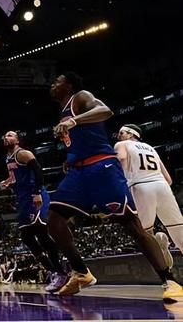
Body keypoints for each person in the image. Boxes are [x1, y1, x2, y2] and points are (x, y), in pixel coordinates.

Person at [47, 72, 183, 299]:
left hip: (102, 166)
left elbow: (105, 110)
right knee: (54, 220)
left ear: (69, 85)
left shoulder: (81, 97)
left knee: (132, 225)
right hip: (79, 171)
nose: (53, 84)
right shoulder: (63, 111)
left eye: (58, 80)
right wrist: (71, 158)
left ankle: (169, 280)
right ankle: (81, 272)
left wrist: (73, 121)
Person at [0, 131, 67, 293]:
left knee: (41, 234)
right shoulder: (8, 158)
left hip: (34, 196)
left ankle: (60, 272)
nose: (6, 137)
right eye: (5, 136)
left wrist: (37, 192)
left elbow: (37, 171)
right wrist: (8, 182)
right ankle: (52, 271)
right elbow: (16, 177)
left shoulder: (23, 153)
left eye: (10, 135)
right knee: (26, 237)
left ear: (17, 140)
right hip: (23, 200)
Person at [114, 123, 183, 267]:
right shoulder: (151, 148)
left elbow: (122, 159)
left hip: (140, 186)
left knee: (145, 232)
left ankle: (159, 252)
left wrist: (122, 183)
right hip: (163, 186)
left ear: (131, 134)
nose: (118, 136)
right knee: (178, 227)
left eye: (121, 133)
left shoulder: (121, 145)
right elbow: (169, 179)